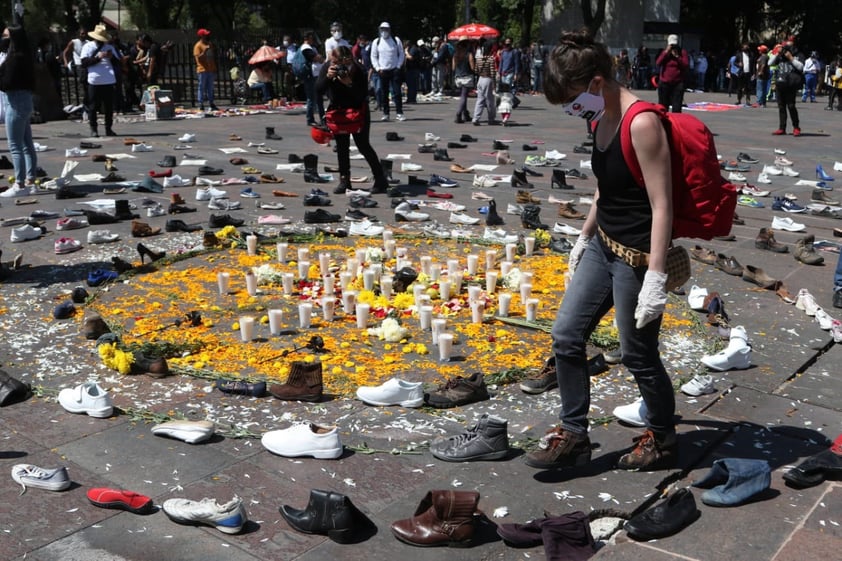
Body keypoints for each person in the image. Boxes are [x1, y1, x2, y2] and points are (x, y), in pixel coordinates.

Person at [525, 30, 677, 472]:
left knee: (637, 354)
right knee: (566, 337)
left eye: (572, 97)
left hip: (636, 258)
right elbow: (604, 188)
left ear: (595, 82)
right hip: (602, 246)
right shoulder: (600, 117)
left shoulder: (642, 122)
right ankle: (573, 434)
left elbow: (661, 203)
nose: (572, 109)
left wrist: (656, 276)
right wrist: (584, 237)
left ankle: (664, 438)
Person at [316, 45, 388, 195]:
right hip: (338, 111)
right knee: (342, 147)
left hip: (357, 110)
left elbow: (361, 95)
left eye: (345, 63)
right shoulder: (327, 67)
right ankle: (344, 180)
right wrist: (328, 78)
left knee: (363, 145)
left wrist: (348, 82)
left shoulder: (358, 70)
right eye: (337, 62)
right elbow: (317, 90)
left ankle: (380, 179)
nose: (341, 66)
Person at [0, 25, 38, 197]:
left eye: (6, 35)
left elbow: (7, 83)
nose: (3, 38)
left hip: (15, 102)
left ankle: (20, 184)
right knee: (26, 144)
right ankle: (30, 180)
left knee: (15, 145)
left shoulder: (15, 58)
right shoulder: (25, 56)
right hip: (24, 100)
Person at [80, 24, 118, 137]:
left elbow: (118, 63)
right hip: (94, 80)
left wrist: (111, 58)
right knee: (92, 106)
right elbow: (84, 63)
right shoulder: (87, 47)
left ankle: (108, 128)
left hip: (108, 80)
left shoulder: (110, 47)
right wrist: (98, 58)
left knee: (109, 107)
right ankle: (93, 129)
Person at [370, 22, 405, 122]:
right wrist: (377, 68)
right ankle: (386, 113)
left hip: (394, 70)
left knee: (397, 92)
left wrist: (398, 66)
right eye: (382, 29)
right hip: (382, 71)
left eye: (386, 29)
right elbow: (373, 56)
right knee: (384, 93)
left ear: (390, 30)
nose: (384, 31)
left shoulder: (395, 40)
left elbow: (401, 54)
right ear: (379, 30)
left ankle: (399, 113)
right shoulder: (376, 42)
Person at [769, 36, 803, 136]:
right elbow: (769, 63)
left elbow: (801, 67)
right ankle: (782, 128)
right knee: (781, 107)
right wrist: (776, 54)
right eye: (786, 42)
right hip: (780, 83)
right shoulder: (780, 56)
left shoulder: (798, 54)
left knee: (791, 106)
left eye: (790, 42)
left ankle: (796, 127)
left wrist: (791, 58)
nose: (787, 43)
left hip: (791, 84)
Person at [656, 34, 688, 112]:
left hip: (677, 83)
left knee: (677, 107)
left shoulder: (682, 52)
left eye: (675, 45)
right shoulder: (664, 52)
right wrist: (666, 52)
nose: (673, 47)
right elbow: (658, 63)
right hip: (664, 82)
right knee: (663, 106)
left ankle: (676, 122)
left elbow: (686, 65)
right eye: (671, 45)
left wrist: (677, 57)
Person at [300, 31, 325, 126]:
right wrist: (319, 58)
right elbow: (316, 58)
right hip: (310, 76)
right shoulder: (305, 48)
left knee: (318, 98)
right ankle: (310, 119)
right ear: (307, 39)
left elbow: (319, 57)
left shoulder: (311, 47)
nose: (313, 40)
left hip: (315, 75)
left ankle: (322, 117)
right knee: (311, 97)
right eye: (311, 38)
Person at [472, 38, 497, 125]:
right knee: (490, 100)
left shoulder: (478, 58)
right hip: (488, 79)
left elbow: (476, 70)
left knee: (480, 100)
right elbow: (493, 72)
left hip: (480, 79)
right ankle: (491, 118)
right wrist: (495, 83)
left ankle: (475, 118)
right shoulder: (491, 59)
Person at [194, 28, 218, 111]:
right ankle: (201, 103)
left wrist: (214, 68)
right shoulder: (198, 45)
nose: (207, 36)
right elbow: (198, 58)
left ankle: (211, 103)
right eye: (205, 34)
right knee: (202, 87)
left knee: (210, 87)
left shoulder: (209, 44)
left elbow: (212, 57)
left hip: (210, 69)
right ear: (201, 36)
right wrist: (204, 52)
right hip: (202, 69)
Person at [452, 37, 475, 123]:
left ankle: (466, 114)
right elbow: (472, 67)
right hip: (467, 76)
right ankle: (458, 114)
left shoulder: (455, 54)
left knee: (462, 95)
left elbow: (453, 68)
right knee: (464, 96)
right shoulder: (469, 54)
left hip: (458, 77)